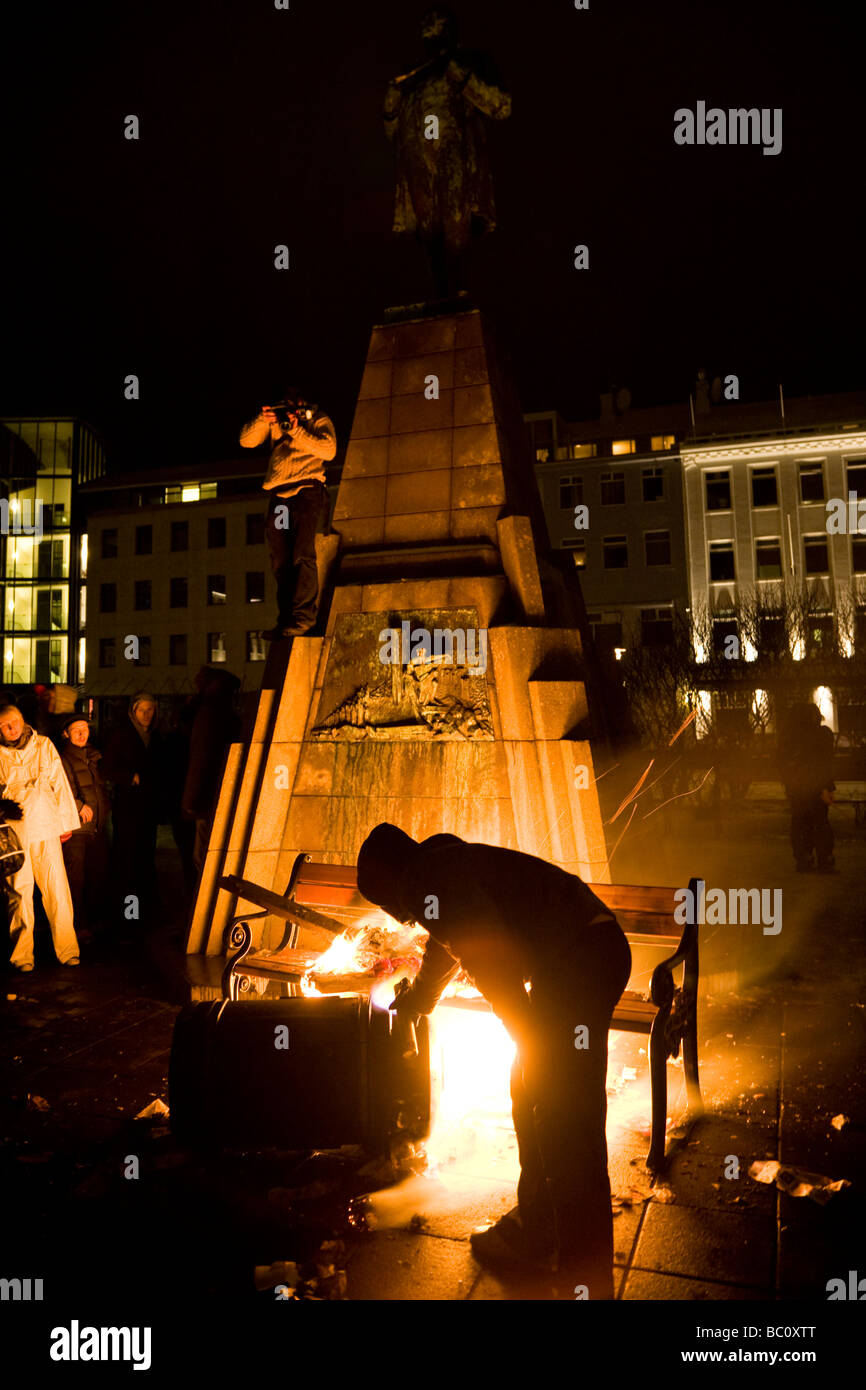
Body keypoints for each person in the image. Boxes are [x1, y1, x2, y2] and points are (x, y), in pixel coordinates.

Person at [356, 823, 631, 1298]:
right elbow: (451, 945)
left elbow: (492, 961)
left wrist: (527, 1035)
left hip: (581, 960)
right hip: (580, 955)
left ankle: (585, 1278)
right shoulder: (439, 870)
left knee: (568, 1121)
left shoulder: (429, 881)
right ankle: (538, 1230)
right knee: (531, 1096)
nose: (392, 914)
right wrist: (420, 1000)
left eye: (382, 898)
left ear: (391, 874)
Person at [384, 8, 511, 298]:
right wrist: (391, 107)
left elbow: (502, 105)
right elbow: (393, 133)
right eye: (425, 20)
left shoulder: (470, 60)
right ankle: (442, 293)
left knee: (456, 224)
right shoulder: (413, 74)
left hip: (455, 152)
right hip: (418, 156)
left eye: (437, 20)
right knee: (429, 231)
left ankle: (458, 290)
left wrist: (461, 76)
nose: (429, 24)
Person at [239, 389, 336, 640]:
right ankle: (286, 619)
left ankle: (303, 618)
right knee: (280, 560)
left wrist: (297, 429)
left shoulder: (317, 419)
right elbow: (246, 441)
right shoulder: (276, 421)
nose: (290, 410)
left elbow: (328, 451)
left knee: (302, 555)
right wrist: (265, 419)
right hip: (280, 495)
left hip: (307, 492)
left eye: (295, 405)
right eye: (287, 405)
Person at [0, 703, 81, 971]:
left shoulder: (43, 745)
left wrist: (66, 821)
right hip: (13, 831)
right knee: (19, 892)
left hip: (46, 824)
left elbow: (59, 781)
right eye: (5, 725)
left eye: (15, 722)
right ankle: (22, 955)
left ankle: (67, 949)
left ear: (23, 720)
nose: (12, 729)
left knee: (56, 888)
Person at [101, 693, 164, 923]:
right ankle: (126, 913)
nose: (147, 715)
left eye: (150, 710)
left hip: (147, 806)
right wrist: (130, 777)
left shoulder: (155, 736)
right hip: (128, 806)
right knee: (126, 857)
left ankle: (145, 910)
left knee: (145, 856)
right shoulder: (121, 735)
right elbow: (106, 768)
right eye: (142, 710)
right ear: (133, 712)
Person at [181, 666, 241, 875]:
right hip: (216, 793)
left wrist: (191, 800)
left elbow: (201, 758)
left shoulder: (208, 714)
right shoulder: (223, 714)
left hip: (207, 796)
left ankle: (205, 901)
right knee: (208, 854)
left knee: (203, 855)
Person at [58, 715, 111, 943]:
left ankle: (95, 920)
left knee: (97, 875)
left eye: (85, 729)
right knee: (75, 878)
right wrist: (78, 805)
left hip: (97, 826)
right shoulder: (62, 758)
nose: (82, 733)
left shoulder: (94, 756)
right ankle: (78, 925)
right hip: (77, 828)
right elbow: (61, 786)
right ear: (66, 734)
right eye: (76, 730)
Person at [780, 703, 836, 872]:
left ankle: (804, 858)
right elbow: (825, 764)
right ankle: (823, 859)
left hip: (798, 789)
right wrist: (827, 788)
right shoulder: (822, 735)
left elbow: (782, 763)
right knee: (820, 824)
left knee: (800, 823)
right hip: (816, 788)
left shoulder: (789, 737)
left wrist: (789, 785)